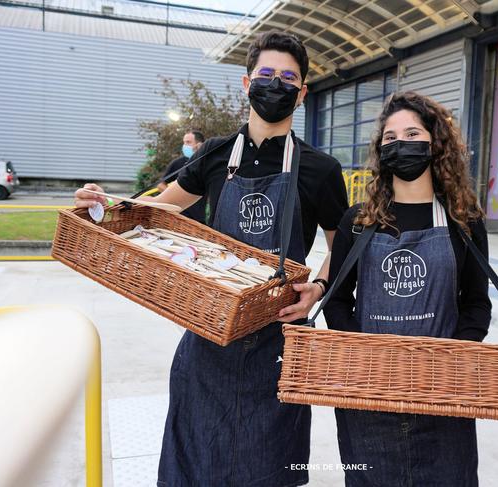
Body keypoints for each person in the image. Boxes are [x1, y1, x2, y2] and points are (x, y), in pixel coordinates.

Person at [74, 31, 348, 486]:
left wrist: (317, 290)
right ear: (246, 84)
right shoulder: (216, 154)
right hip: (210, 335)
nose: (274, 84)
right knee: (195, 460)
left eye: (287, 78)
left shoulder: (321, 169)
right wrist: (105, 204)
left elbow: (344, 244)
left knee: (269, 465)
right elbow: (160, 206)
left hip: (280, 340)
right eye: (265, 75)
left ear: (301, 93)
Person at [323, 91, 492, 486]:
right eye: (390, 137)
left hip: (443, 393)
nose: (400, 143)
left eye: (412, 133)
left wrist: (450, 360)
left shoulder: (463, 221)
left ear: (435, 144)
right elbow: (337, 300)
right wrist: (362, 360)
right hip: (368, 394)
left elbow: (477, 304)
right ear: (381, 151)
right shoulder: (358, 222)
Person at [157, 130, 208, 223]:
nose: (185, 146)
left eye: (188, 142)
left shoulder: (207, 164)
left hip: (197, 219)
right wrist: (176, 195)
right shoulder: (178, 163)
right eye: (184, 142)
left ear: (199, 145)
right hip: (177, 217)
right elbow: (160, 185)